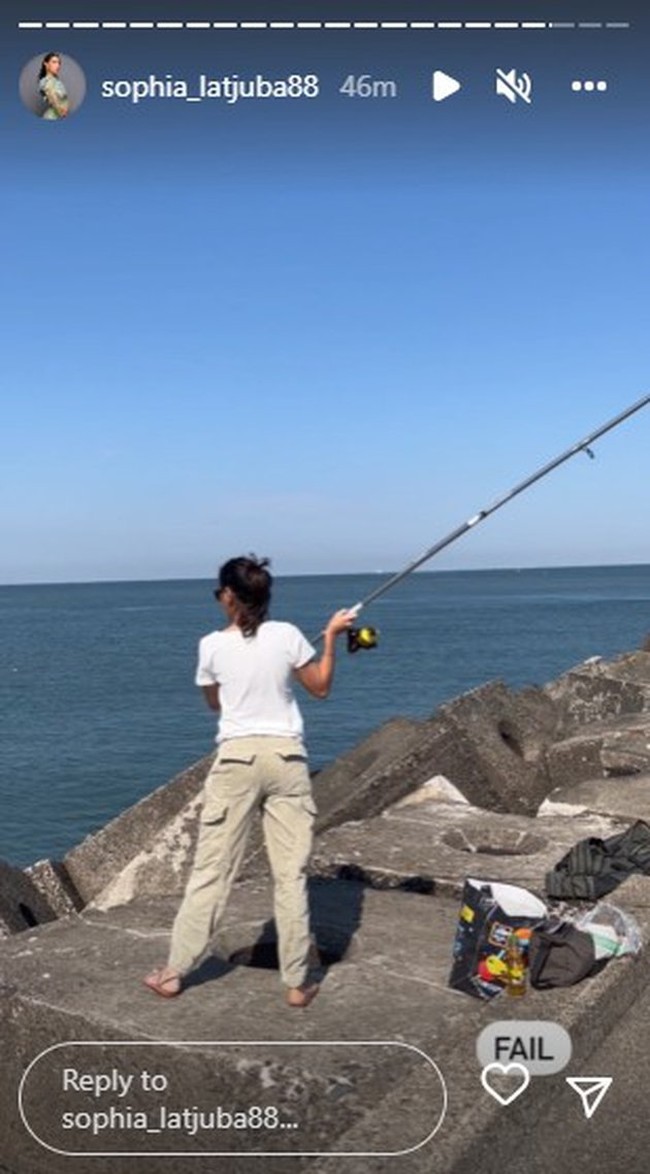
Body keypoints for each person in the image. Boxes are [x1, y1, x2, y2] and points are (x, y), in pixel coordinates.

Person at [144, 555, 353, 1008]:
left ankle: (174, 972)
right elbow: (320, 687)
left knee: (212, 872)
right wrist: (330, 637)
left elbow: (215, 703)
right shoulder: (289, 635)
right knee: (290, 876)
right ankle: (296, 982)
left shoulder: (210, 646)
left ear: (227, 596)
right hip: (287, 759)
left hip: (237, 761)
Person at [38, 53, 69, 120]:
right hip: (53, 117)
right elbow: (53, 98)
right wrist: (62, 112)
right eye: (54, 62)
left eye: (59, 63)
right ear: (46, 64)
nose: (58, 65)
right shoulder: (46, 81)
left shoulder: (57, 81)